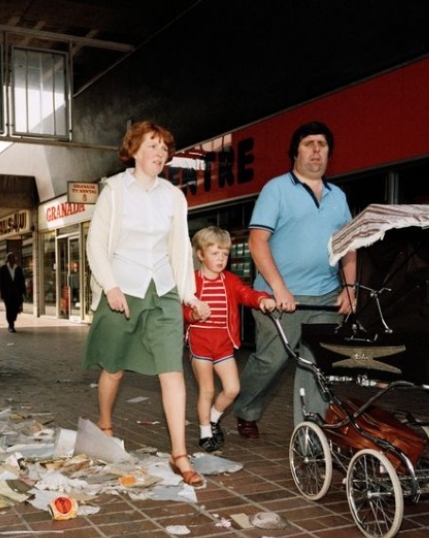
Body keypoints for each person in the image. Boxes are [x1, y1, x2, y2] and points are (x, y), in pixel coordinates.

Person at [83, 120, 210, 487]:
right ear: (134, 150)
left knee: (172, 371)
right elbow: (96, 244)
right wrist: (110, 286)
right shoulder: (115, 191)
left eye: (164, 147)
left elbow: (181, 249)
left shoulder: (173, 195)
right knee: (115, 367)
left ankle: (179, 455)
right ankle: (105, 422)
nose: (159, 153)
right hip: (123, 287)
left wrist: (189, 294)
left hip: (163, 290)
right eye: (151, 145)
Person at [233, 121, 356, 438]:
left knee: (314, 365)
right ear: (295, 152)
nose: (317, 150)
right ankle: (244, 408)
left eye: (323, 144)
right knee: (270, 360)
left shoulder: (337, 196)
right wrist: (279, 287)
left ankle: (310, 433)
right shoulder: (276, 189)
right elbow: (257, 241)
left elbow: (349, 246)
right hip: (280, 297)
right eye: (309, 143)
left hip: (325, 296)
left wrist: (349, 288)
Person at [184, 227, 276, 452]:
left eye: (224, 254)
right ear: (200, 255)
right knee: (206, 390)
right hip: (200, 341)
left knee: (232, 389)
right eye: (215, 253)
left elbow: (247, 294)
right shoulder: (192, 282)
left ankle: (214, 418)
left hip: (224, 343)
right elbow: (183, 309)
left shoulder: (230, 281)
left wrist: (263, 299)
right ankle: (205, 432)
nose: (221, 259)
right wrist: (194, 314)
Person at [0, 252, 26, 332]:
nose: (14, 260)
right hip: (7, 293)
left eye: (14, 258)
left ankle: (12, 320)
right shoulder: (3, 269)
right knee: (9, 309)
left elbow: (22, 281)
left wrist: (23, 291)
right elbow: (1, 282)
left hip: (17, 293)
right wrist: (2, 293)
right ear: (8, 259)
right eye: (12, 258)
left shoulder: (18, 269)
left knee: (16, 308)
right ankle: (11, 325)